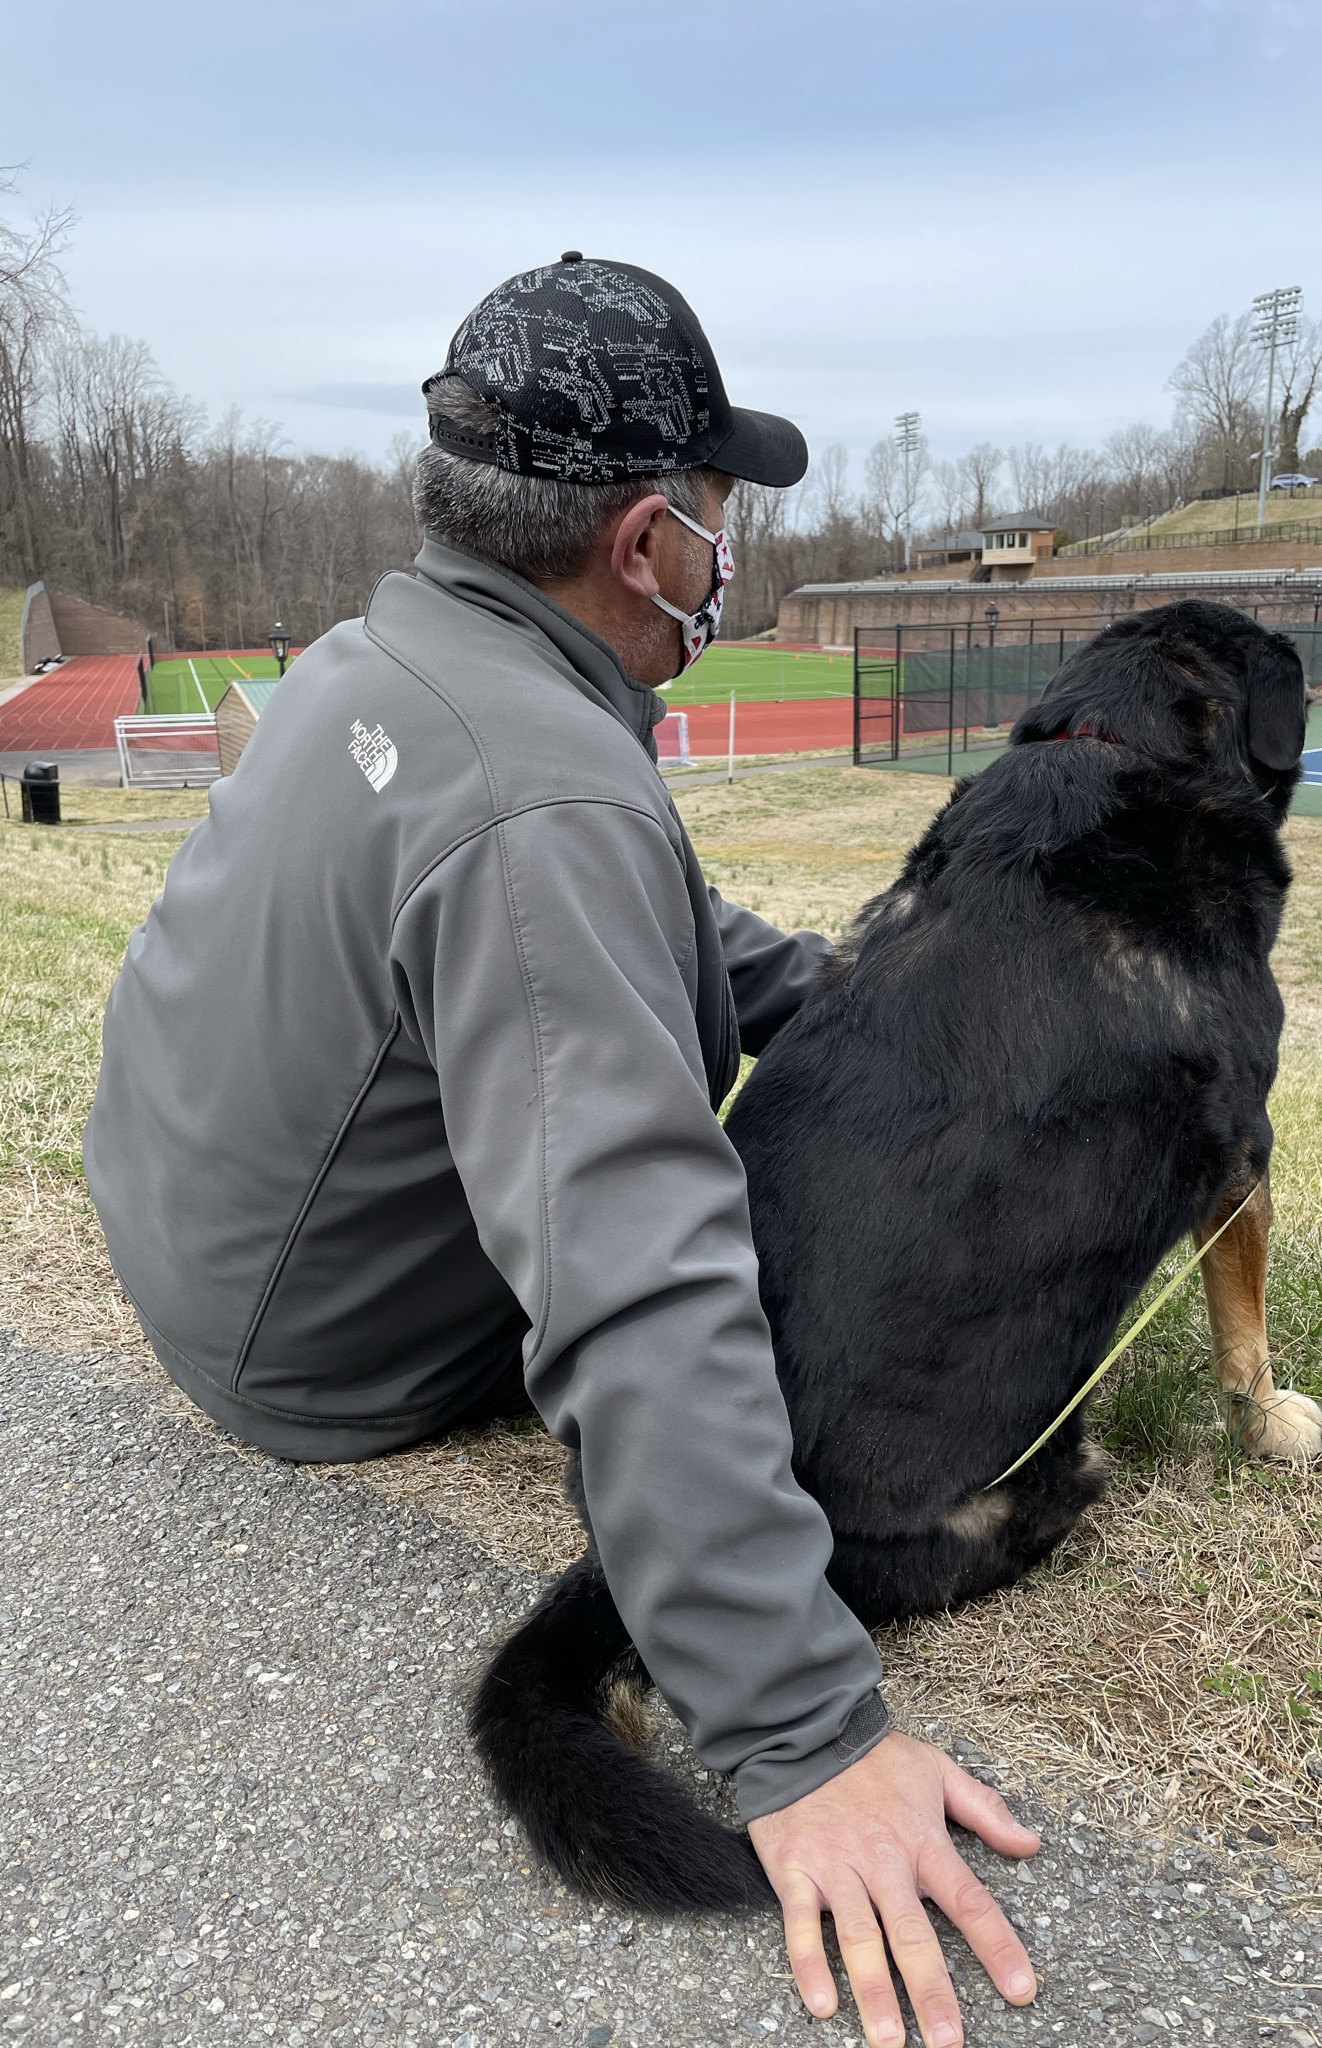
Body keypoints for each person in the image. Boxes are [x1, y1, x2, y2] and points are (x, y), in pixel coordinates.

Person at [85, 256, 1039, 2046]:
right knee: (735, 1181)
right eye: (720, 517)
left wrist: (868, 1007)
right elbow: (634, 1272)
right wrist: (801, 1732)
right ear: (644, 537)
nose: (722, 560)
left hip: (191, 1237)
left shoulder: (405, 657)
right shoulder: (546, 792)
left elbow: (644, 916)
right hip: (309, 1357)